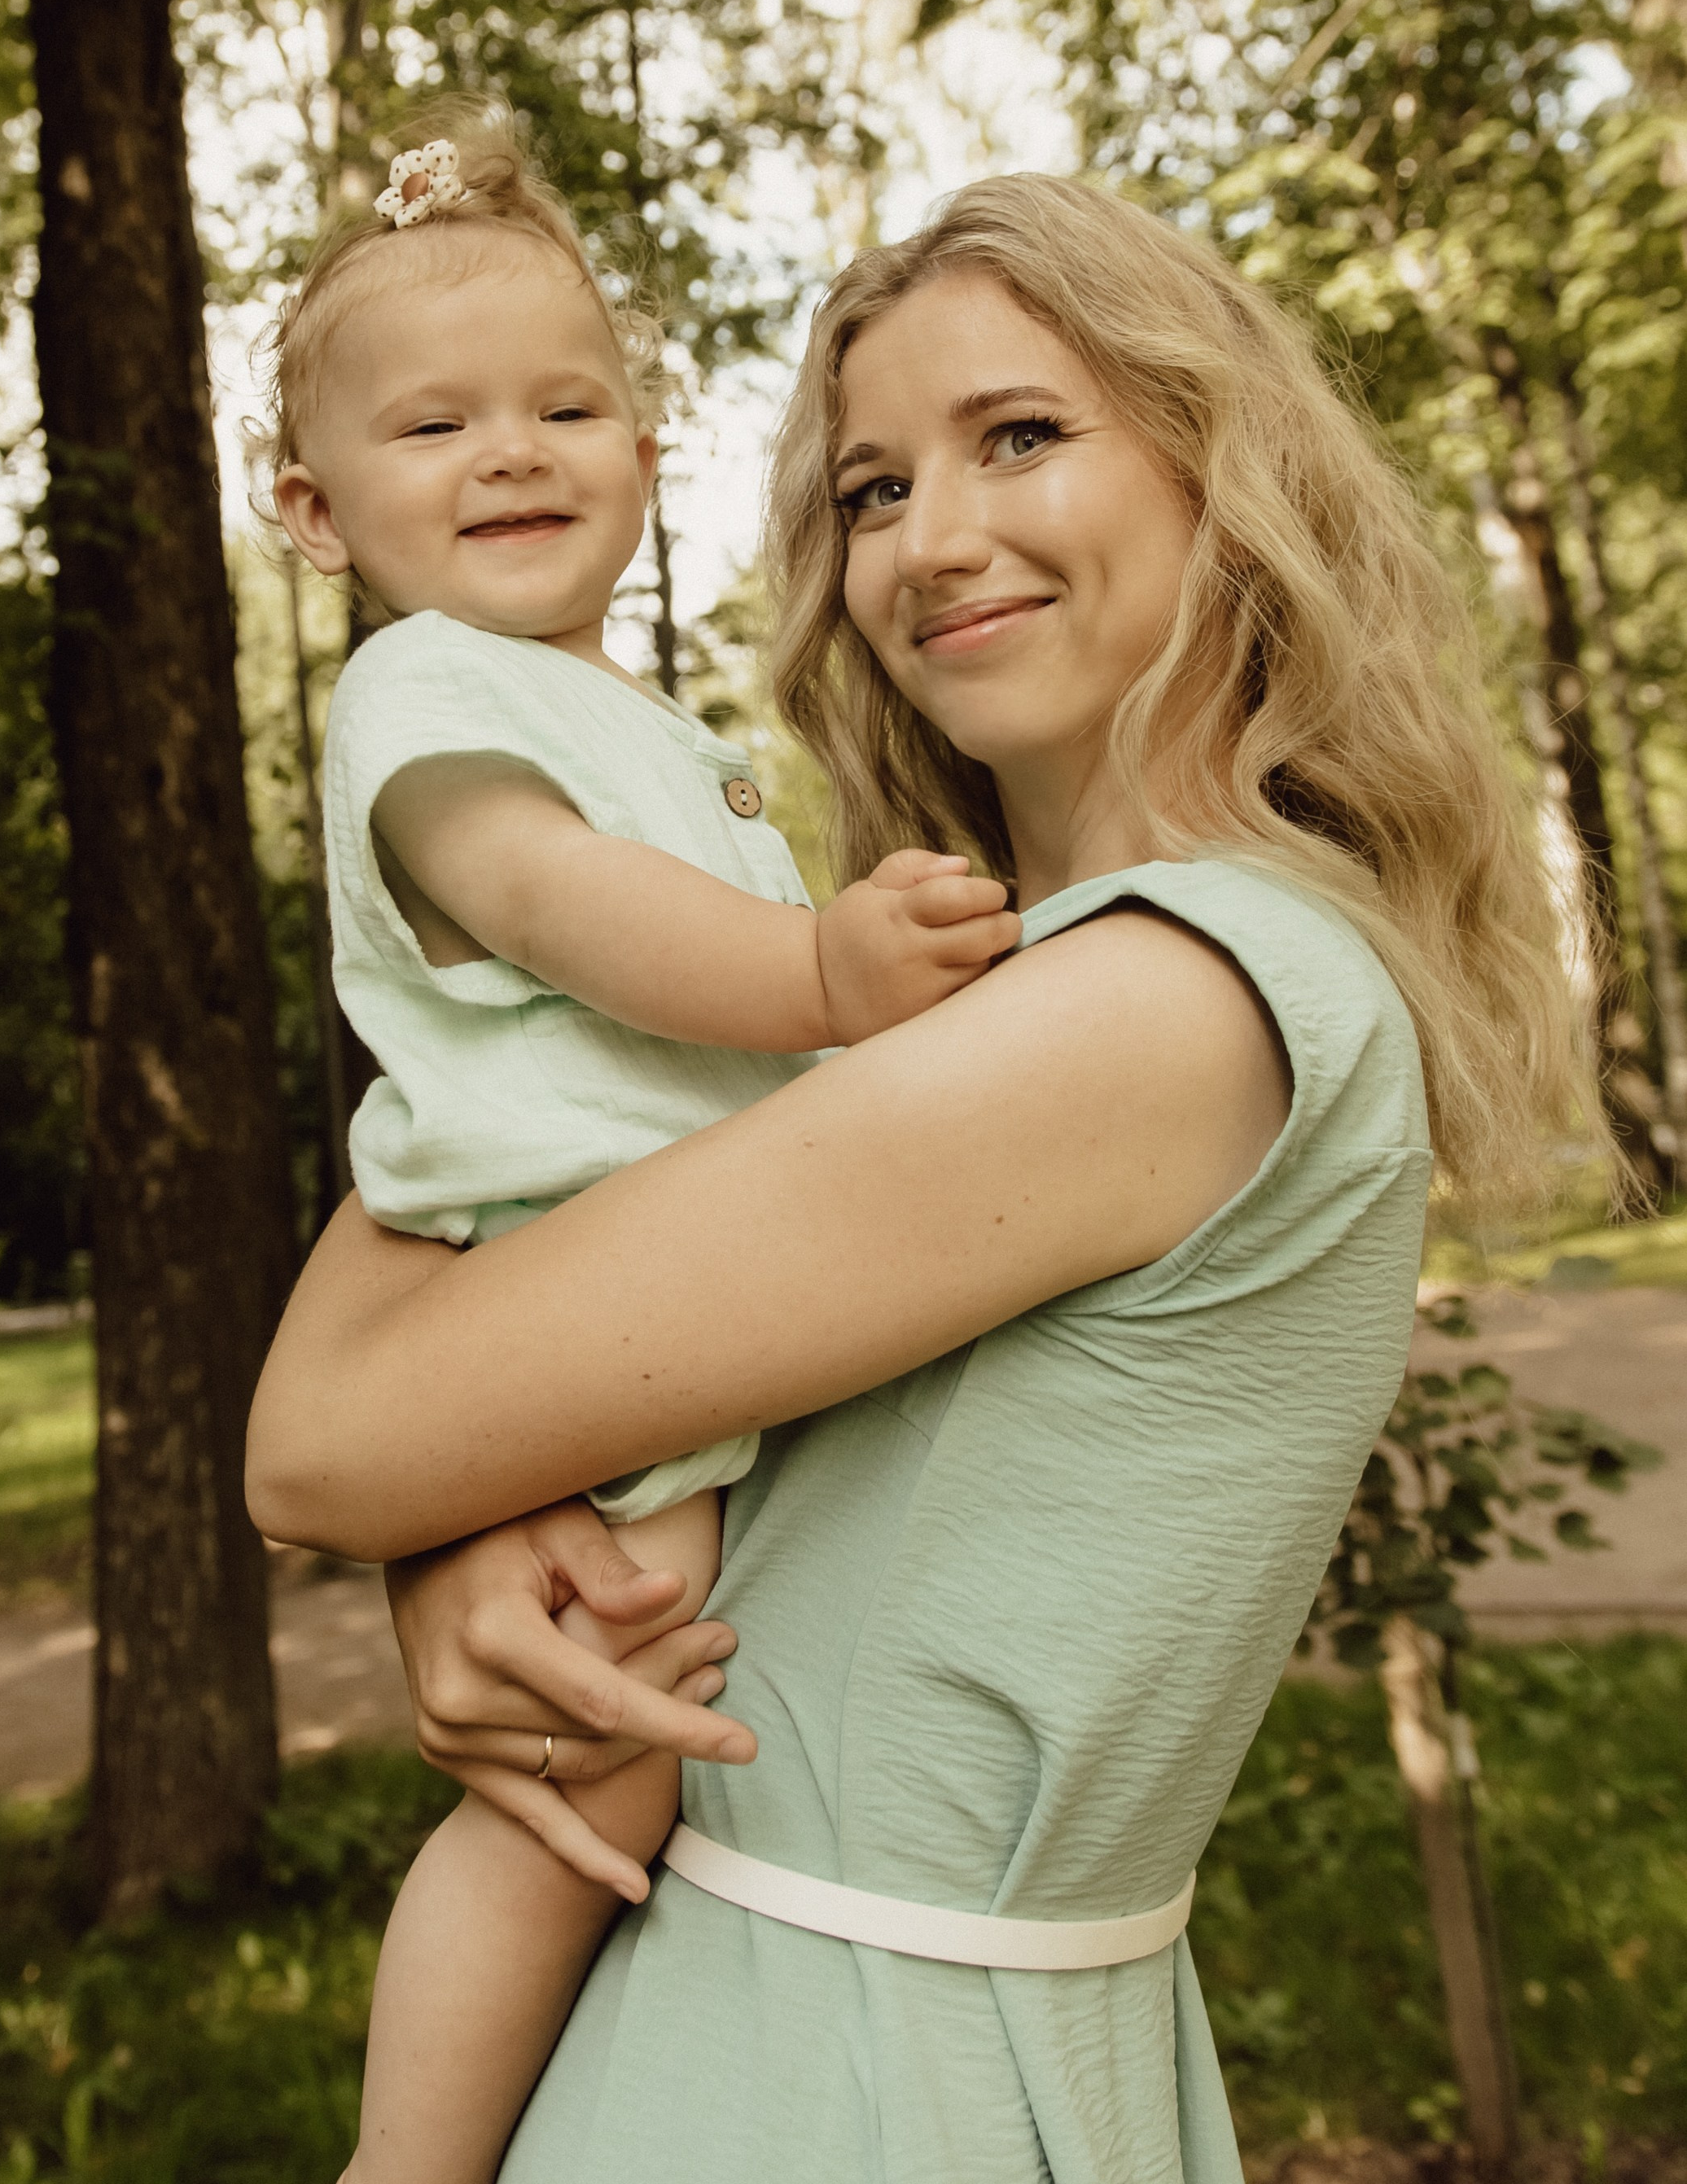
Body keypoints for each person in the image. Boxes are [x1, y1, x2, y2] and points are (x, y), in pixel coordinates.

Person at [248, 171, 1596, 2184]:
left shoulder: (1158, 1002)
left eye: (1022, 435)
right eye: (873, 488)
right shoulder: (1037, 986)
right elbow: (516, 1280)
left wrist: (440, 1501)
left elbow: (317, 1444)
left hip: (834, 2078)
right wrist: (481, 1532)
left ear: (1228, 473)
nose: (932, 538)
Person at [259, 103, 1020, 2184]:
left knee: (646, 1743)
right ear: (314, 510)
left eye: (564, 406)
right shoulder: (428, 692)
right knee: (593, 1768)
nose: (510, 452)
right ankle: (412, 2157)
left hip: (662, 1289)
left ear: (646, 448)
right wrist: (820, 973)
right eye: (435, 426)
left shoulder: (638, 716)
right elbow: (549, 900)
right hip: (583, 1294)